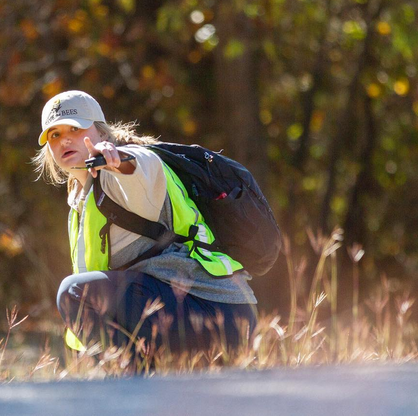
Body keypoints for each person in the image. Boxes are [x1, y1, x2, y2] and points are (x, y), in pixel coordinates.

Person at [33, 90, 258, 357]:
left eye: (75, 127)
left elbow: (139, 169)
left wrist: (118, 161)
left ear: (103, 134)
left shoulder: (125, 169)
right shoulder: (80, 201)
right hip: (180, 309)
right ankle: (133, 385)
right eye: (54, 135)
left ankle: (133, 387)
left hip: (217, 310)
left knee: (73, 291)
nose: (64, 139)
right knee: (84, 295)